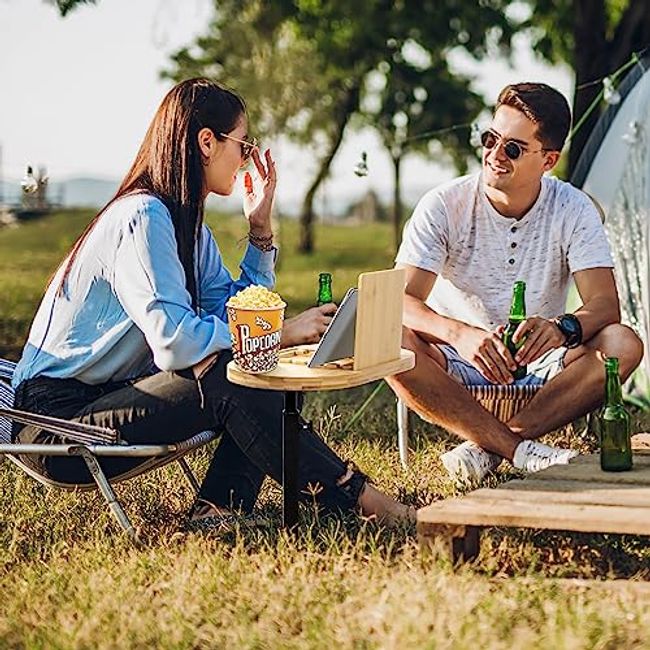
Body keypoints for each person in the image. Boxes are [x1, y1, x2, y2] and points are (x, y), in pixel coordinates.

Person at [11, 78, 413, 529]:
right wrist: (279, 333)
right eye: (244, 145)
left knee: (260, 365)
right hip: (57, 425)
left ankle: (220, 508)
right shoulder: (143, 217)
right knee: (231, 372)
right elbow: (174, 345)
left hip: (110, 398)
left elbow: (235, 313)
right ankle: (356, 498)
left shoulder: (187, 226)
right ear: (207, 141)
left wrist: (259, 229)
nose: (247, 159)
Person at [389, 82, 644, 484]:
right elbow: (396, 301)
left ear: (548, 160)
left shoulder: (573, 208)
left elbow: (605, 306)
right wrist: (459, 334)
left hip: (540, 365)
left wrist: (563, 328)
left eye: (512, 148)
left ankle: (486, 450)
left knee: (623, 343)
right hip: (456, 362)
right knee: (389, 339)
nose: (493, 155)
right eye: (490, 139)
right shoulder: (443, 204)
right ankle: (518, 450)